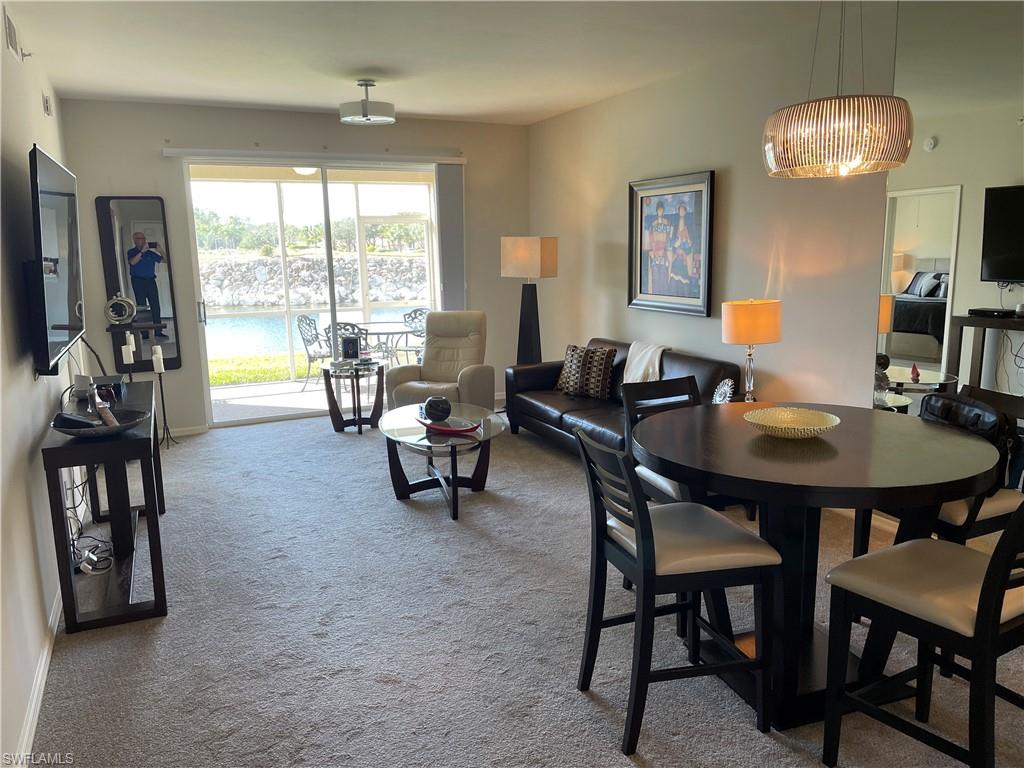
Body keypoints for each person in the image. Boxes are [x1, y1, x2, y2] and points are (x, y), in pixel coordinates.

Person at [126, 232, 168, 339]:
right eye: (140, 238)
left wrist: (160, 250)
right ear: (134, 240)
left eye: (144, 238)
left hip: (150, 281)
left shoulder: (150, 253)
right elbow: (132, 262)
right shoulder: (131, 252)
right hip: (138, 281)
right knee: (142, 306)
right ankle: (144, 333)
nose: (143, 240)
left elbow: (166, 261)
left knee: (155, 305)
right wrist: (142, 252)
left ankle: (158, 331)